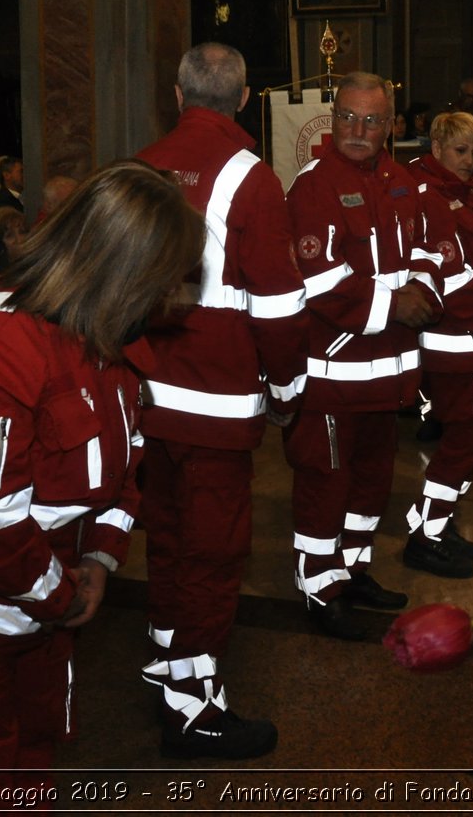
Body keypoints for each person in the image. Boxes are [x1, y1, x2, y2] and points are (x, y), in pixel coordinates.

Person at [0, 161, 203, 793]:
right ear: (120, 269)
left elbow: (125, 460)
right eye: (162, 280)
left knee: (30, 759)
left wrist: (102, 559)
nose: (170, 298)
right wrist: (58, 595)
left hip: (35, 599)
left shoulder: (105, 333)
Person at [134, 43, 307, 759]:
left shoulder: (139, 168)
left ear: (176, 93)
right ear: (244, 100)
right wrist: (290, 388)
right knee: (215, 550)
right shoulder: (253, 178)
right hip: (216, 401)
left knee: (169, 535)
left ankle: (165, 657)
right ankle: (196, 704)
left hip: (146, 394)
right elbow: (277, 303)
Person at [284, 72, 448, 641]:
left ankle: (350, 572)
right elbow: (319, 280)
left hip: (388, 374)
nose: (358, 130)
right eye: (348, 118)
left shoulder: (400, 181)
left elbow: (429, 247)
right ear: (332, 119)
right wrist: (394, 305)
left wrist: (425, 292)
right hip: (333, 375)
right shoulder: (312, 186)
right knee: (325, 484)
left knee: (372, 482)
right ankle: (317, 587)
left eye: (372, 120)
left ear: (391, 126)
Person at [401, 112, 473, 578]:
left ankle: (439, 522)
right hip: (456, 346)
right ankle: (425, 536)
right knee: (464, 441)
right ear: (436, 146)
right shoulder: (429, 200)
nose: (469, 161)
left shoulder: (463, 200)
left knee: (468, 440)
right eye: (460, 151)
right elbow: (448, 283)